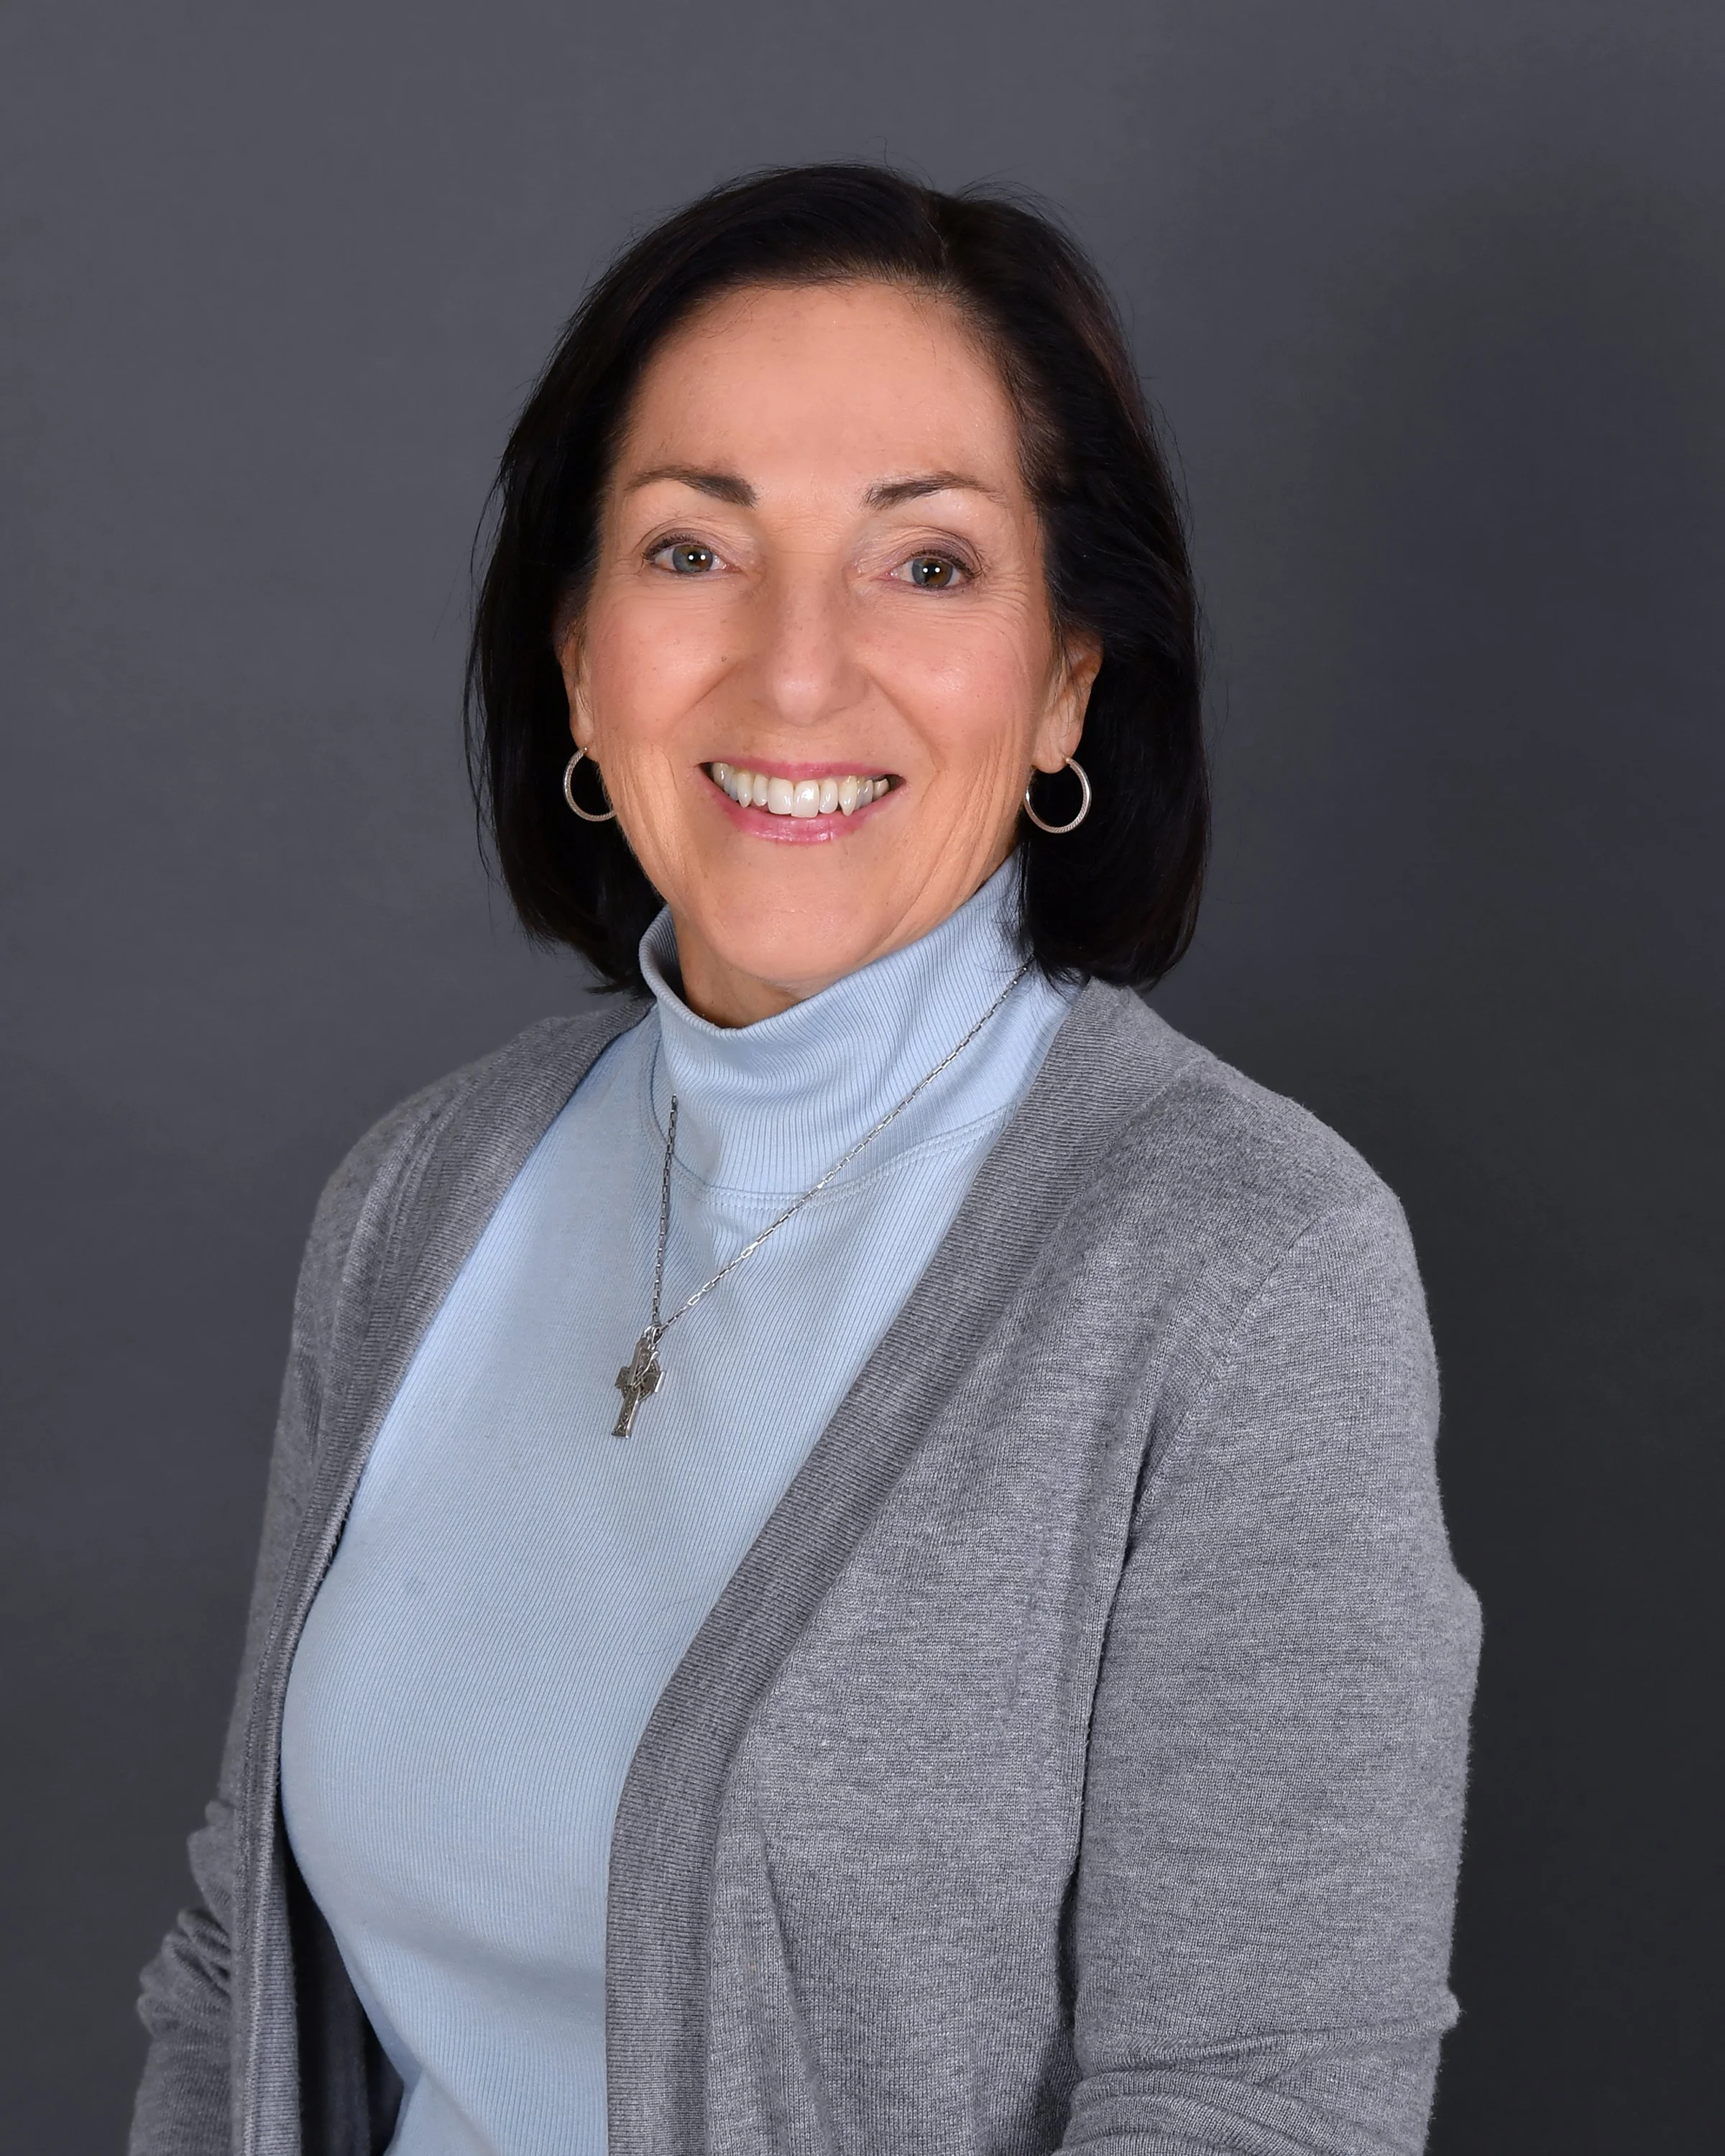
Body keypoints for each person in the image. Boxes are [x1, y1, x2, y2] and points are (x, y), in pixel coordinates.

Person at [130, 165, 1479, 2156]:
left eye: (924, 566)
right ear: (582, 659)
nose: (791, 674)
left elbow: (1259, 2112)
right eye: (694, 552)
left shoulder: (1245, 1267)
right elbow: (236, 1969)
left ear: (1067, 683)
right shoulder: (422, 1198)